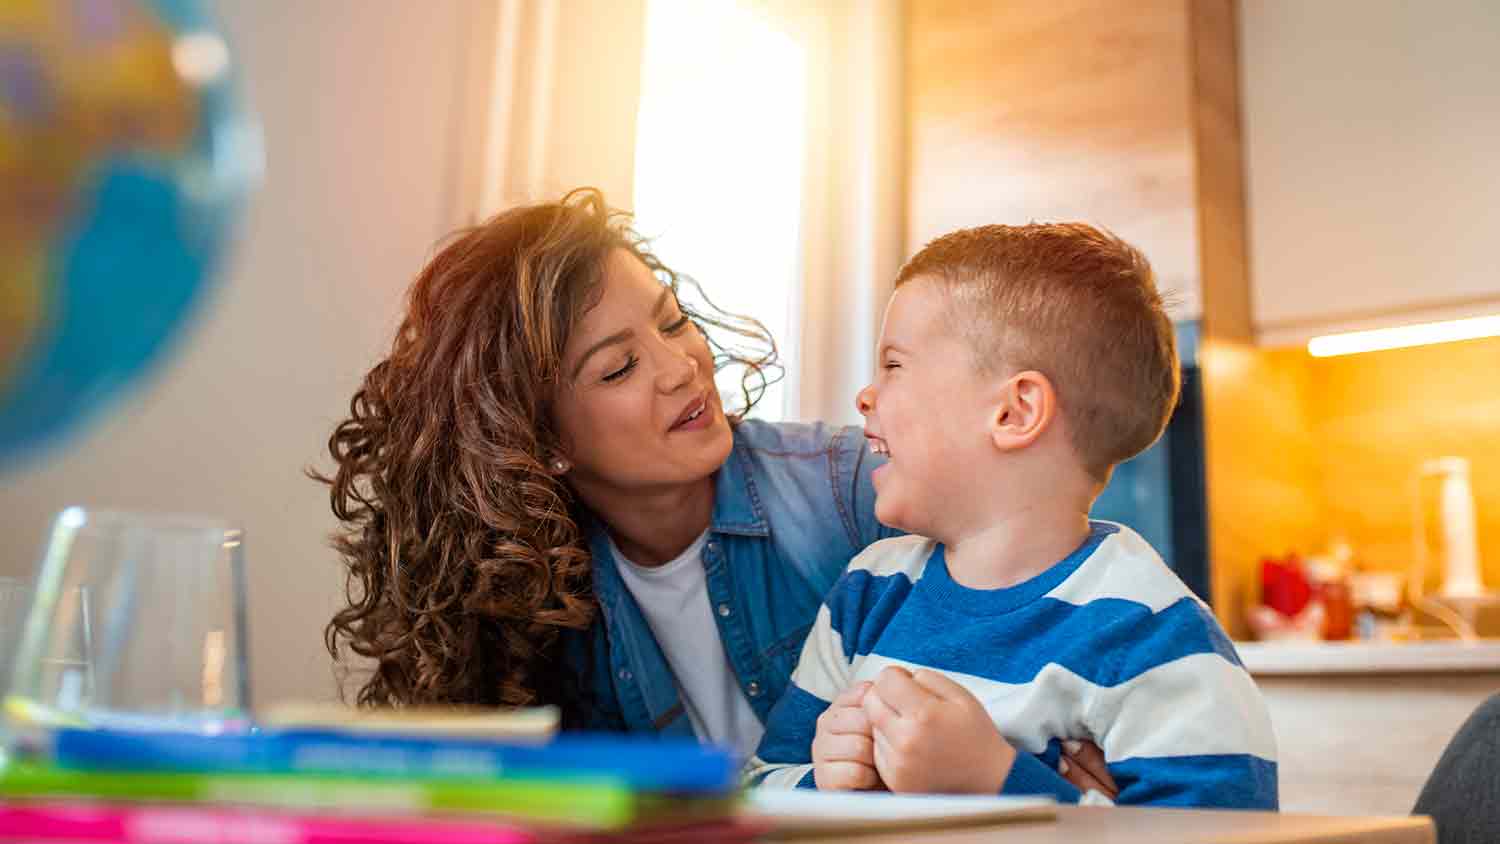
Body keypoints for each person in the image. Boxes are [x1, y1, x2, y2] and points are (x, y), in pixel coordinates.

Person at [315, 189, 1107, 784]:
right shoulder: (534, 597)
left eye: (670, 321)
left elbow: (1084, 614)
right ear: (540, 441)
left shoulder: (854, 492)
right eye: (619, 367)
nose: (680, 367)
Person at [745, 223, 1279, 808]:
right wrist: (831, 782)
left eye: (894, 366)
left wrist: (998, 780)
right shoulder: (869, 592)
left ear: (1014, 411)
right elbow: (759, 788)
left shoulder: (1152, 635)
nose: (866, 396)